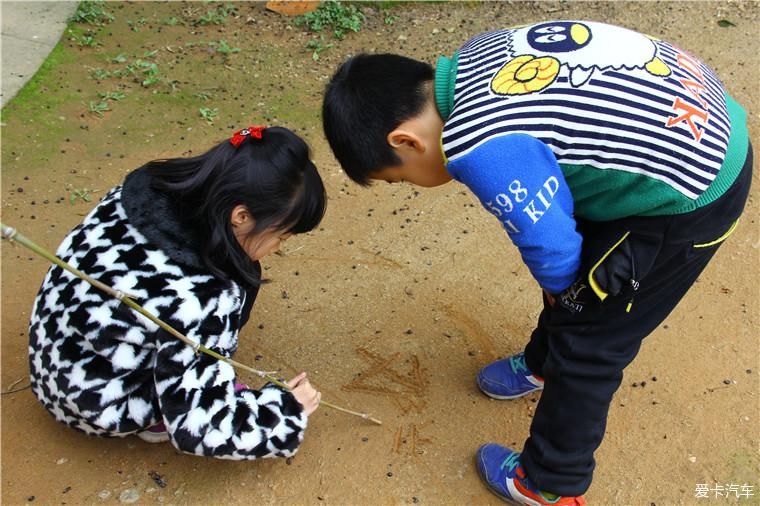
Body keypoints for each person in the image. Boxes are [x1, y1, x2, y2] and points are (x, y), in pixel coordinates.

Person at [322, 20, 752, 504]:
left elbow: (549, 245)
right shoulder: (475, 56)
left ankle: (550, 482)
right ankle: (543, 363)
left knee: (592, 336)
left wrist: (565, 293)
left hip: (688, 194)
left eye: (397, 180)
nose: (407, 185)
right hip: (703, 119)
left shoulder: (479, 145)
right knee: (579, 287)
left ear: (405, 142)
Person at [28, 125, 327, 460]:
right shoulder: (200, 296)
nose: (278, 247)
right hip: (97, 403)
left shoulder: (141, 193)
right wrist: (284, 409)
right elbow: (202, 426)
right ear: (241, 216)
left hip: (55, 359)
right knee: (241, 277)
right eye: (281, 236)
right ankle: (153, 417)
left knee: (242, 271)